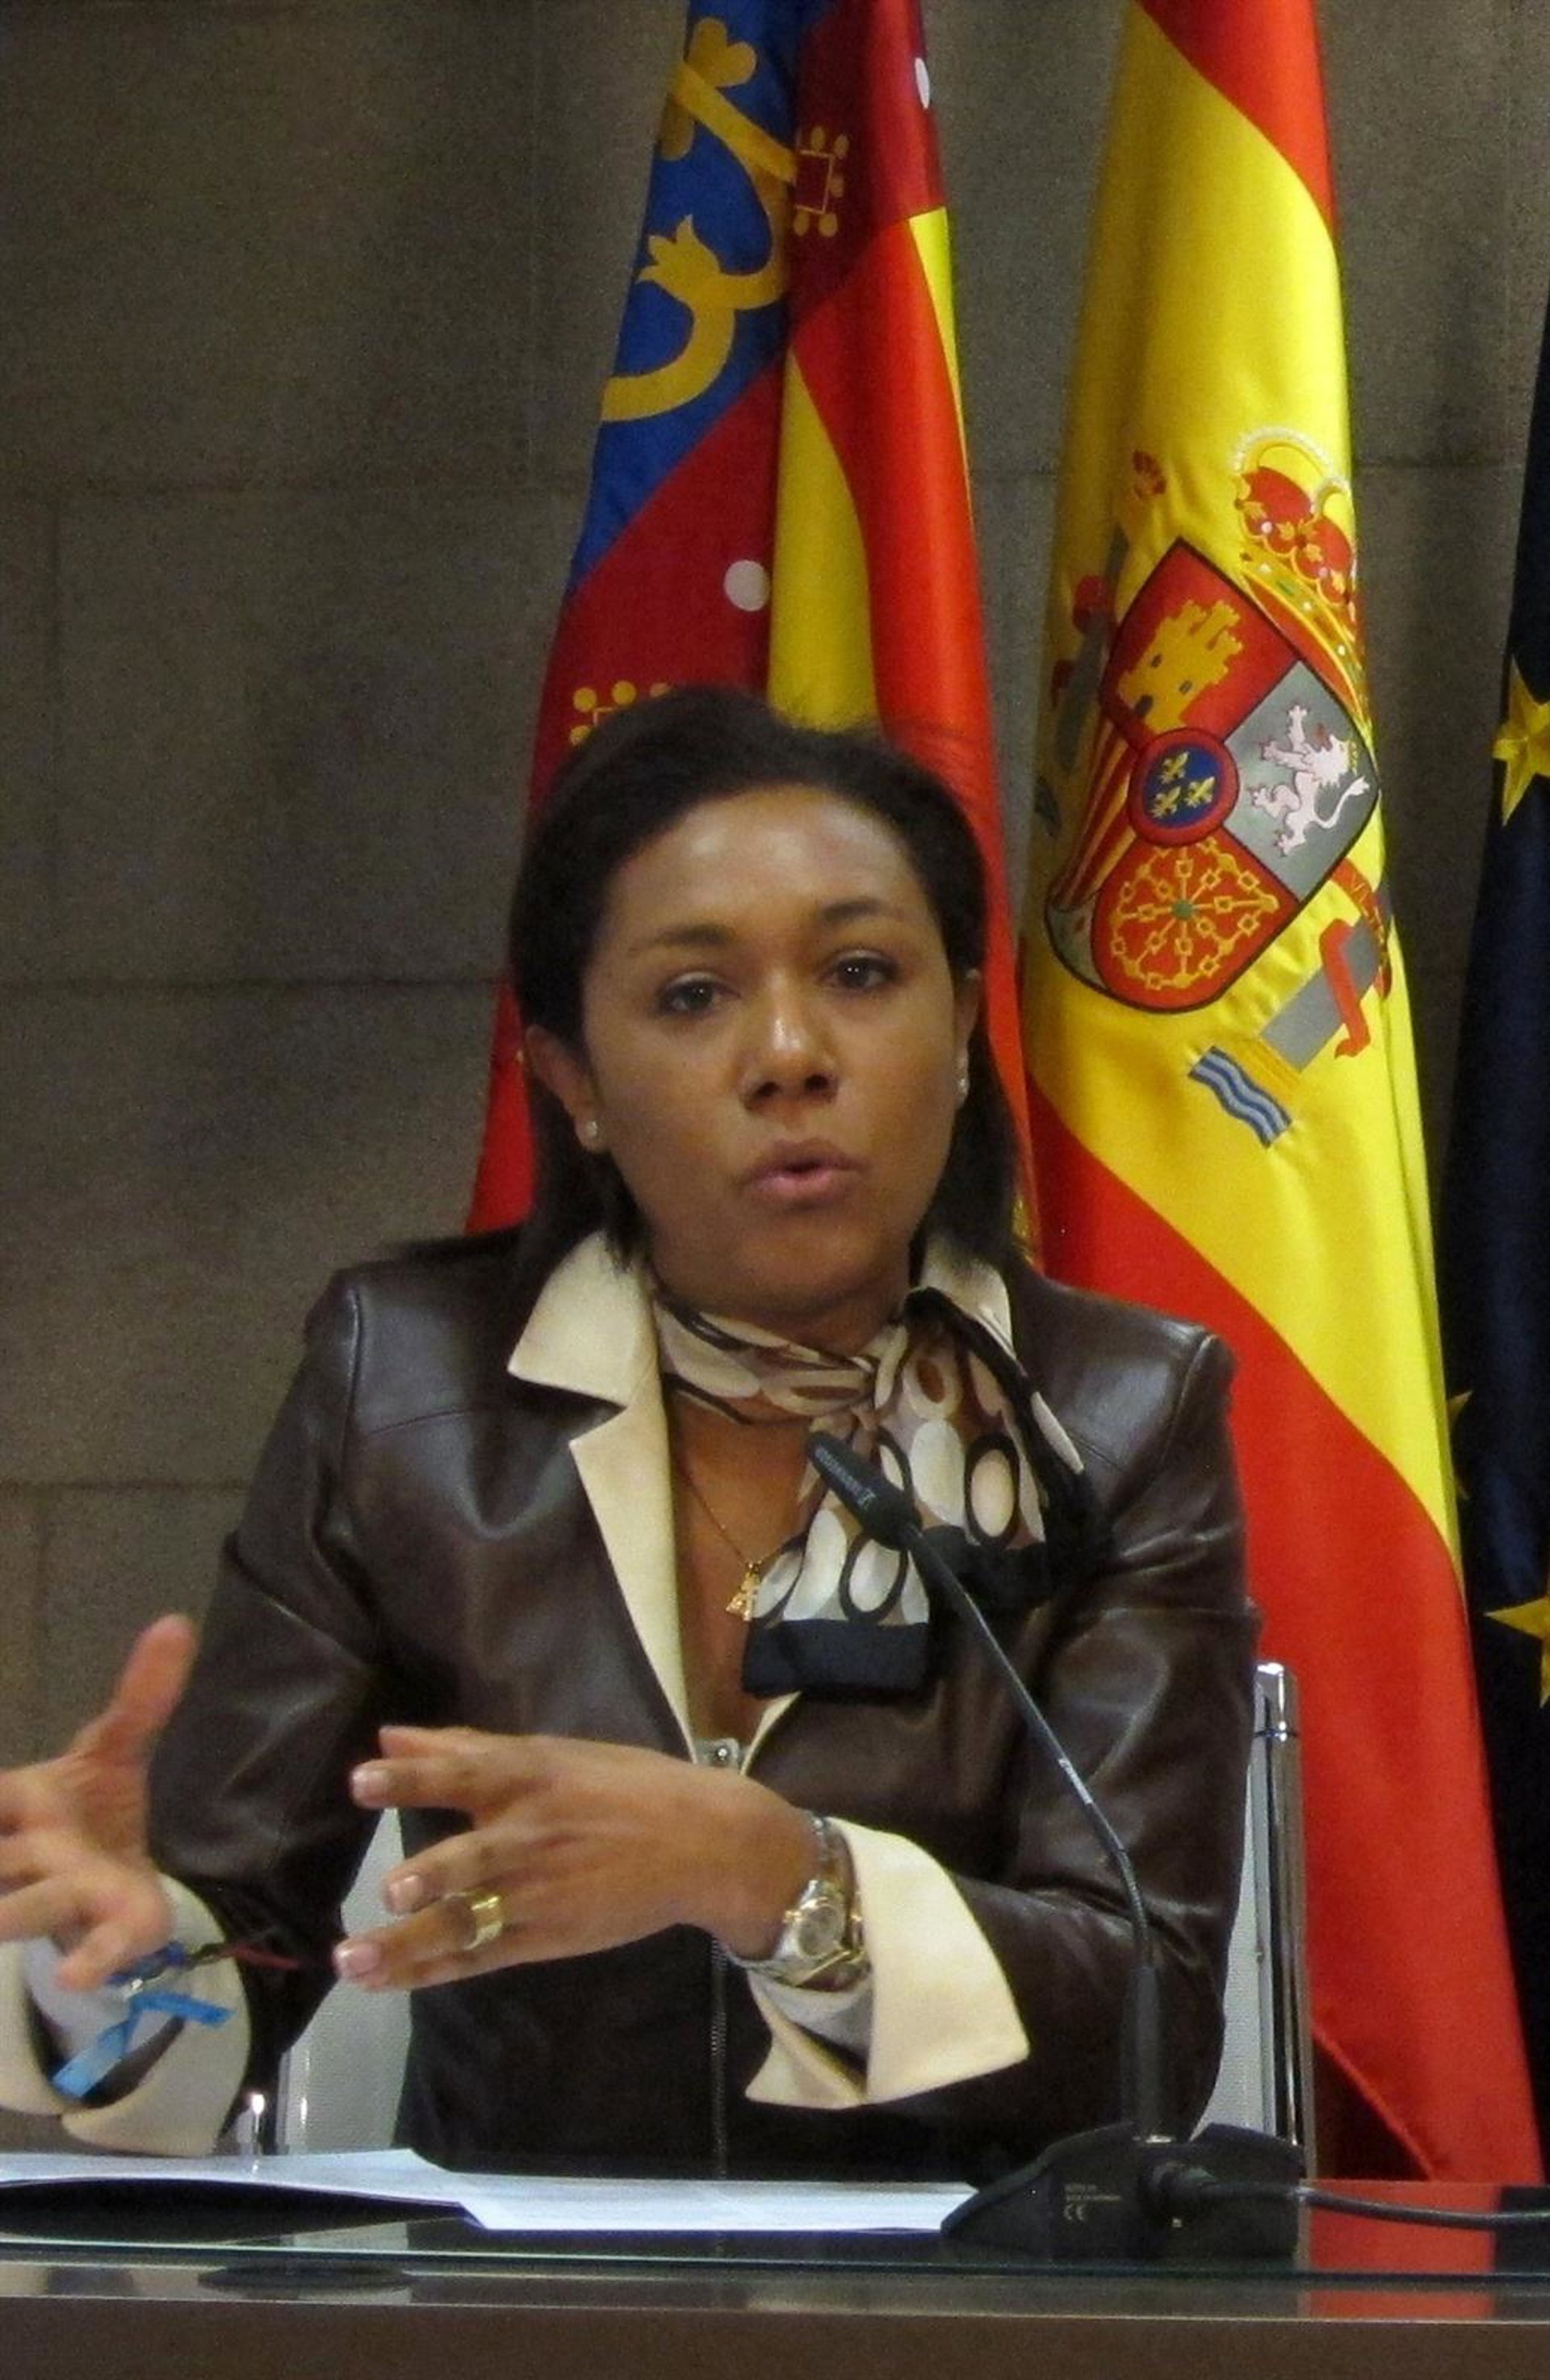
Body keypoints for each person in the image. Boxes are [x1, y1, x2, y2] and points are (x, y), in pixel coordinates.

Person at [0, 686, 1256, 2176]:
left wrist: (771, 1876)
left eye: (861, 972)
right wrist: (98, 1959)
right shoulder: (405, 1384)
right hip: (519, 2281)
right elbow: (239, 1970)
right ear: (575, 1083)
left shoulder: (1118, 1413)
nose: (790, 1055)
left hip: (954, 2281)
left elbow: (1147, 2028)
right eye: (693, 996)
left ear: (966, 1033)